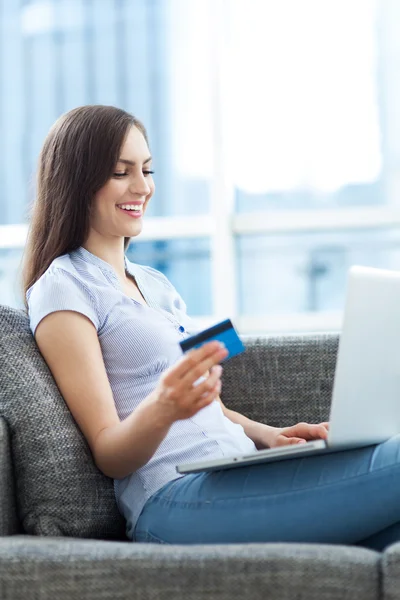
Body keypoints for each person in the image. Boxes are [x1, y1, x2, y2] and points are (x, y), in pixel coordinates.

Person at [23, 105, 400, 548]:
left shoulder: (158, 285)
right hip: (172, 502)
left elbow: (211, 409)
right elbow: (109, 453)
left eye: (147, 169)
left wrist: (268, 436)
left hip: (230, 471)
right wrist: (163, 406)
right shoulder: (62, 287)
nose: (143, 187)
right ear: (77, 180)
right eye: (121, 172)